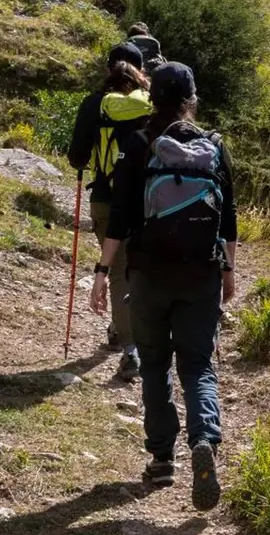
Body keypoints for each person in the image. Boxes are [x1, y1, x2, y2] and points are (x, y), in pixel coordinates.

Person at [89, 62, 238, 510]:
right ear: (192, 100)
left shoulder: (138, 145)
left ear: (152, 97)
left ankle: (161, 460)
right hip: (201, 274)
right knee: (198, 366)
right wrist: (229, 271)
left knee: (154, 365)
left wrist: (102, 271)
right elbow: (228, 218)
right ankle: (203, 440)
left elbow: (120, 219)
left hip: (148, 275)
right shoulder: (214, 148)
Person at [66, 43, 154, 384]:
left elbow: (76, 157)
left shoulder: (93, 103)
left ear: (109, 69)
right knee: (139, 269)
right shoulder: (152, 104)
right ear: (141, 70)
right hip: (147, 201)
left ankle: (128, 346)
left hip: (105, 198)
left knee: (116, 271)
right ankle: (132, 332)